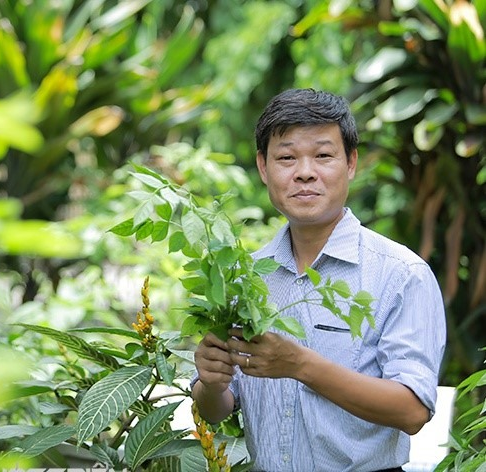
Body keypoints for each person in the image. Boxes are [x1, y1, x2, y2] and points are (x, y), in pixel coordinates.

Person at [191, 88, 447, 472]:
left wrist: (300, 365)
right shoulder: (244, 276)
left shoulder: (401, 274)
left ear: (351, 164)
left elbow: (412, 411)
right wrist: (210, 384)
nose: (305, 171)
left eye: (324, 155)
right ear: (263, 167)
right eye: (287, 157)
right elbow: (218, 410)